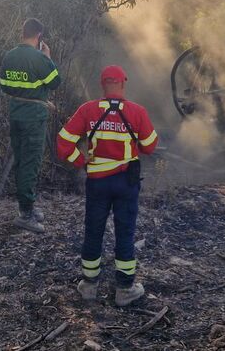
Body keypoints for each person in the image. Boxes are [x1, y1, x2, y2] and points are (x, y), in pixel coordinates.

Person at [56, 65, 159, 306]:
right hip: (127, 183)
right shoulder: (137, 111)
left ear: (103, 85)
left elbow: (63, 143)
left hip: (98, 183)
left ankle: (89, 286)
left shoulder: (88, 110)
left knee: (93, 231)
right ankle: (125, 289)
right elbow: (151, 146)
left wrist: (81, 161)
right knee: (125, 232)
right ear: (123, 83)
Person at [0, 18, 61, 233]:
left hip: (16, 114)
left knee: (21, 161)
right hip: (34, 118)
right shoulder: (38, 57)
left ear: (22, 33)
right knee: (30, 164)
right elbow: (55, 81)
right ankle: (25, 215)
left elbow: (4, 85)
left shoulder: (9, 56)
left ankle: (27, 207)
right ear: (38, 36)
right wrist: (48, 58)